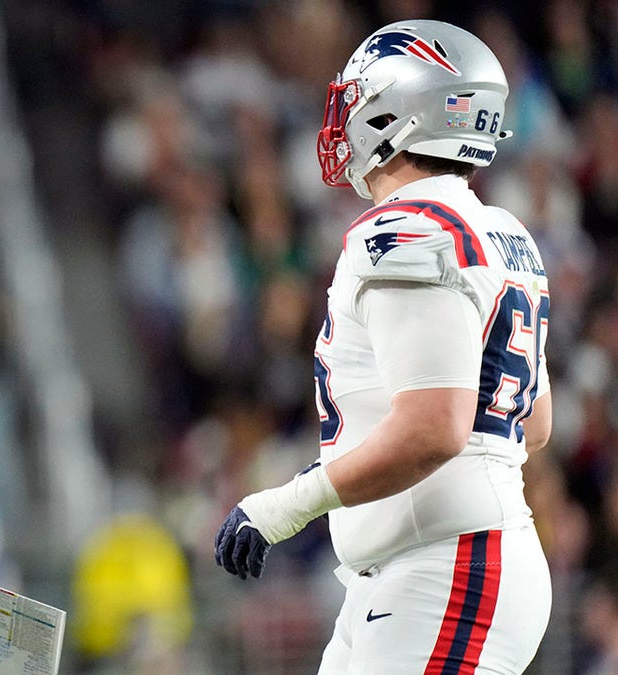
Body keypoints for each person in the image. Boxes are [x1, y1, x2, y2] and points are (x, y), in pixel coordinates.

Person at [215, 19, 553, 673]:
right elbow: (531, 423)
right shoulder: (502, 229)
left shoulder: (404, 231)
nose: (343, 122)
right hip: (422, 565)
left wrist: (287, 504)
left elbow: (435, 428)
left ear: (396, 114)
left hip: (447, 568)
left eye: (357, 103)